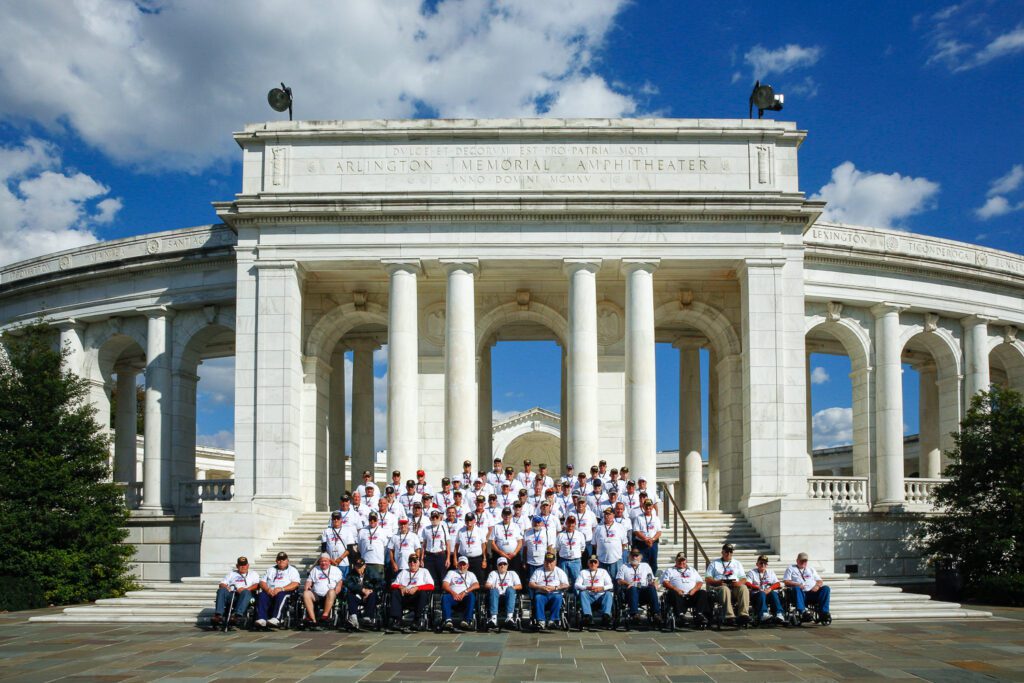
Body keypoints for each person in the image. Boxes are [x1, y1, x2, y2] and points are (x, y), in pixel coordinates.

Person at [705, 543, 749, 626]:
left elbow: (744, 579)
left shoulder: (737, 563)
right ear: (722, 552)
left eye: (730, 552)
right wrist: (718, 582)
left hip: (734, 586)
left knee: (743, 587)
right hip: (720, 586)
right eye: (726, 552)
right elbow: (708, 579)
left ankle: (743, 615)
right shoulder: (714, 563)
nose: (729, 554)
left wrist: (738, 583)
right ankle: (729, 616)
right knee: (724, 589)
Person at [661, 552, 710, 627]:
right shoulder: (670, 570)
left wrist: (694, 590)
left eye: (683, 560)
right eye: (679, 560)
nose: (681, 562)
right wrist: (676, 589)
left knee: (702, 592)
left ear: (686, 561)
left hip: (691, 595)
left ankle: (699, 614)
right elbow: (665, 582)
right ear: (676, 561)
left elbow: (700, 582)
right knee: (672, 593)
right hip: (678, 595)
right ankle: (680, 616)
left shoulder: (692, 570)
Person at [388, 555, 434, 632]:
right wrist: (401, 587)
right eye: (410, 561)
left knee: (422, 593)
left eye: (414, 561)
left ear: (419, 562)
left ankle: (417, 620)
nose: (412, 563)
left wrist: (417, 588)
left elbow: (431, 586)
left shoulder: (424, 571)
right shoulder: (403, 572)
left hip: (417, 596)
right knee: (395, 592)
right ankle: (397, 620)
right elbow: (393, 584)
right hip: (404, 596)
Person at [255, 552, 300, 628]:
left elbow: (296, 583)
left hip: (285, 591)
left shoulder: (292, 570)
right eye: (279, 560)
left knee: (281, 594)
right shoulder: (270, 569)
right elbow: (262, 582)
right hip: (270, 591)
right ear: (276, 561)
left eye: (283, 559)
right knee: (262, 595)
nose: (281, 561)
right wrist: (268, 589)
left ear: (287, 561)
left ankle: (276, 618)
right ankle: (262, 619)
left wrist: (282, 589)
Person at [617, 549, 661, 627]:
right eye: (633, 555)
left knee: (651, 588)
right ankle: (634, 614)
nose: (634, 557)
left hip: (644, 591)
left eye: (636, 555)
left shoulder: (645, 566)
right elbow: (619, 580)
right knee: (633, 588)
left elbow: (650, 579)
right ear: (629, 557)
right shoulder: (624, 566)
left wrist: (654, 583)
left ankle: (656, 614)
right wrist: (628, 583)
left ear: (640, 557)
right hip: (630, 591)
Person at [211, 556, 259, 627]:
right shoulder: (232, 574)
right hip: (233, 595)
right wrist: (227, 587)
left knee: (246, 592)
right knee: (221, 590)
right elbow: (222, 584)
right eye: (240, 565)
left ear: (248, 565)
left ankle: (237, 616)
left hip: (248, 596)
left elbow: (257, 585)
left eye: (244, 565)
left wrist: (246, 589)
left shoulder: (253, 574)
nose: (243, 567)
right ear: (237, 566)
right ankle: (218, 615)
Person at [783, 552, 831, 621]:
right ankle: (802, 611)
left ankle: (824, 613)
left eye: (805, 561)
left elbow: (820, 581)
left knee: (826, 588)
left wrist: (817, 586)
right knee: (797, 588)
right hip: (800, 593)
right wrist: (797, 584)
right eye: (801, 560)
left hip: (812, 593)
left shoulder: (810, 569)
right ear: (797, 560)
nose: (803, 562)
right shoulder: (791, 568)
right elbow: (786, 581)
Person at [529, 552, 570, 631]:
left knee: (558, 597)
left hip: (554, 593)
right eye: (547, 561)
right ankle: (541, 621)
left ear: (555, 562)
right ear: (544, 561)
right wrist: (540, 587)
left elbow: (566, 584)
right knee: (538, 597)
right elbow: (531, 584)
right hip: (541, 593)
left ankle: (553, 621)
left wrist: (555, 587)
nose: (548, 564)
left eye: (551, 562)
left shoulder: (559, 571)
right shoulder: (538, 571)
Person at [302, 553, 343, 627]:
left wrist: (336, 591)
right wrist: (307, 587)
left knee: (331, 591)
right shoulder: (315, 569)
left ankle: (325, 615)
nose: (323, 563)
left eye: (325, 561)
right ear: (319, 562)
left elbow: (339, 583)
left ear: (329, 561)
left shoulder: (336, 570)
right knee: (306, 593)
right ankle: (312, 619)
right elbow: (309, 581)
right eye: (321, 561)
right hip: (316, 595)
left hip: (329, 594)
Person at [441, 556, 480, 631]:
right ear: (457, 565)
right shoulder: (451, 572)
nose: (462, 567)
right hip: (453, 596)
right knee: (445, 597)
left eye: (464, 564)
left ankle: (466, 620)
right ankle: (447, 620)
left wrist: (465, 592)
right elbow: (444, 585)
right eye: (460, 564)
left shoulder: (471, 574)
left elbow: (476, 585)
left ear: (467, 565)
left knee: (471, 596)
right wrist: (453, 593)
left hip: (465, 596)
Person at [575, 555, 614, 628]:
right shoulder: (583, 572)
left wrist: (601, 588)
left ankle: (606, 616)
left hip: (601, 595)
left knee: (608, 594)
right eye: (591, 562)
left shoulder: (603, 571)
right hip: (588, 596)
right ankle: (588, 617)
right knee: (582, 593)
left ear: (598, 564)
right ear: (588, 563)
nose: (593, 564)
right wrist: (587, 587)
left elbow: (610, 585)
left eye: (595, 562)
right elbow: (576, 585)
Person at [485, 556, 521, 629]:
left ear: (507, 565)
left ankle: (509, 618)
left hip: (508, 596)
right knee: (494, 590)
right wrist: (491, 586)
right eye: (500, 564)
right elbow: (487, 585)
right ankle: (493, 618)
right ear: (497, 566)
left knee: (510, 590)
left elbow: (519, 586)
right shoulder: (493, 573)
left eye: (504, 564)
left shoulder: (512, 573)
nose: (502, 566)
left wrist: (512, 587)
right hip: (497, 597)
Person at [343, 558, 380, 630]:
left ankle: (367, 617)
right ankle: (353, 617)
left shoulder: (371, 572)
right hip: (358, 594)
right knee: (350, 594)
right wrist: (362, 590)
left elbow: (380, 583)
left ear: (364, 566)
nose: (358, 569)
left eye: (360, 567)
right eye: (357, 567)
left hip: (369, 594)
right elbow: (348, 584)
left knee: (373, 595)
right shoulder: (351, 574)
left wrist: (370, 590)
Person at [747, 554, 785, 624]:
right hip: (757, 595)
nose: (763, 565)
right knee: (762, 593)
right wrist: (757, 587)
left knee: (773, 593)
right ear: (757, 564)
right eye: (761, 563)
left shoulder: (771, 572)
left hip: (768, 593)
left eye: (765, 563)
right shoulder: (752, 572)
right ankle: (763, 614)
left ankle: (779, 614)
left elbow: (778, 583)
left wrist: (770, 588)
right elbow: (748, 583)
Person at [594, 507, 628, 580]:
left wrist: (617, 552)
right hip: (601, 559)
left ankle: (617, 592)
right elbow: (594, 543)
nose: (607, 516)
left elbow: (624, 543)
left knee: (616, 580)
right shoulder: (598, 527)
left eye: (609, 514)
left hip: (616, 559)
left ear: (613, 515)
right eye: (605, 514)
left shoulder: (620, 527)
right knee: (602, 580)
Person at [490, 507, 524, 577]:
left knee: (515, 574)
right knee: (500, 574)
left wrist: (514, 553)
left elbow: (520, 542)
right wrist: (500, 552)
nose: (507, 516)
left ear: (511, 516)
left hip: (514, 556)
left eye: (508, 514)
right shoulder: (496, 526)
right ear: (502, 516)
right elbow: (492, 543)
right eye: (505, 514)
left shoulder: (515, 526)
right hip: (500, 555)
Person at [421, 509, 452, 585]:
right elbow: (424, 545)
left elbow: (448, 544)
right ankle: (431, 595)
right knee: (430, 578)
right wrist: (421, 558)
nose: (435, 519)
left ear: (439, 518)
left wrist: (448, 558)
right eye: (433, 517)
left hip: (440, 555)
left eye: (436, 517)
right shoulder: (426, 529)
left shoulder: (444, 528)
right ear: (430, 518)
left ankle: (441, 595)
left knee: (442, 577)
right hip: (429, 556)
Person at [321, 511, 356, 578]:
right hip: (330, 563)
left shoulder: (347, 531)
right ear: (331, 520)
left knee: (344, 583)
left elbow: (350, 548)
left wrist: (340, 559)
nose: (336, 520)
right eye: (334, 519)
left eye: (338, 518)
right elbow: (323, 549)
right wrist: (330, 560)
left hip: (343, 563)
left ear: (341, 520)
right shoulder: (326, 531)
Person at [387, 517, 422, 584]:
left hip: (410, 566)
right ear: (399, 524)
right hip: (399, 565)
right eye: (401, 524)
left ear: (408, 524)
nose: (403, 526)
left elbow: (417, 550)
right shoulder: (394, 537)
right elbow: (391, 551)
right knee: (399, 584)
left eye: (405, 524)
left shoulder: (413, 536)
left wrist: (416, 562)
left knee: (409, 584)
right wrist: (393, 563)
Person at [632, 499, 662, 572]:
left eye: (650, 506)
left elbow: (659, 531)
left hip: (653, 544)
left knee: (653, 563)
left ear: (652, 507)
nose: (648, 508)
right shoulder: (638, 518)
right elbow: (636, 531)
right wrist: (645, 539)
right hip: (641, 544)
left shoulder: (656, 518)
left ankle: (652, 579)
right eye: (646, 506)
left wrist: (652, 539)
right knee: (642, 563)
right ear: (643, 507)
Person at [555, 515, 584, 592]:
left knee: (577, 581)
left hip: (576, 561)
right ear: (566, 523)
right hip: (563, 560)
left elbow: (582, 548)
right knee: (563, 581)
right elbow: (557, 548)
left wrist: (575, 555)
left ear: (575, 524)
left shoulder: (579, 534)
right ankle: (563, 598)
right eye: (569, 523)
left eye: (572, 523)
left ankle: (577, 598)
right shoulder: (561, 535)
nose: (571, 525)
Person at [456, 512, 488, 579]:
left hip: (477, 559)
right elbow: (457, 545)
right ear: (465, 521)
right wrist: (455, 559)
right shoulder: (460, 531)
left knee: (479, 577)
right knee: (464, 577)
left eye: (471, 520)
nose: (469, 522)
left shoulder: (480, 531)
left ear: (474, 521)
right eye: (467, 520)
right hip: (464, 558)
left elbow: (484, 545)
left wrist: (484, 559)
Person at [358, 512, 388, 581]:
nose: (372, 521)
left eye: (374, 519)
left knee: (378, 585)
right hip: (365, 563)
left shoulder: (382, 531)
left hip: (378, 562)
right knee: (366, 585)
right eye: (370, 519)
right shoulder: (362, 531)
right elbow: (359, 547)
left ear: (377, 520)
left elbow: (385, 547)